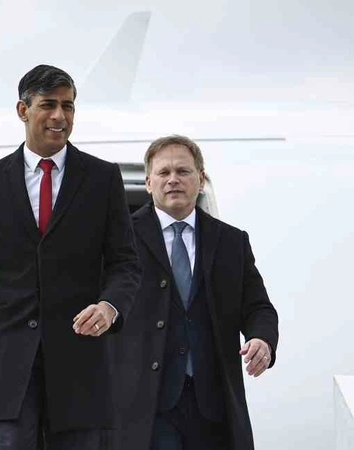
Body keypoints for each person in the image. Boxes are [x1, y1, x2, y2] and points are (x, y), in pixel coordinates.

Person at [0, 64, 141, 450]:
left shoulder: (102, 178)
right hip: (10, 361)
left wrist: (109, 306)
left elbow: (125, 264)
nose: (59, 116)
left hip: (80, 360)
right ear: (23, 110)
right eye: (48, 105)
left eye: (68, 106)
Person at [113, 135, 279, 450]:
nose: (173, 179)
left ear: (200, 180)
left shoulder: (231, 242)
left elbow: (258, 307)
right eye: (164, 172)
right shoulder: (118, 241)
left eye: (183, 171)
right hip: (146, 405)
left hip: (213, 407)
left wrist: (262, 339)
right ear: (148, 183)